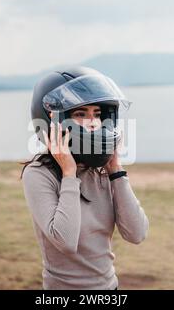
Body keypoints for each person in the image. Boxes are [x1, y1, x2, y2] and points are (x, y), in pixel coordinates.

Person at [21, 66, 149, 290]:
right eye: (81, 114)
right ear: (52, 121)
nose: (93, 123)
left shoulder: (100, 170)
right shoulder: (39, 174)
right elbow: (65, 242)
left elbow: (136, 233)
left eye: (97, 114)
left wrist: (116, 170)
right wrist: (69, 175)